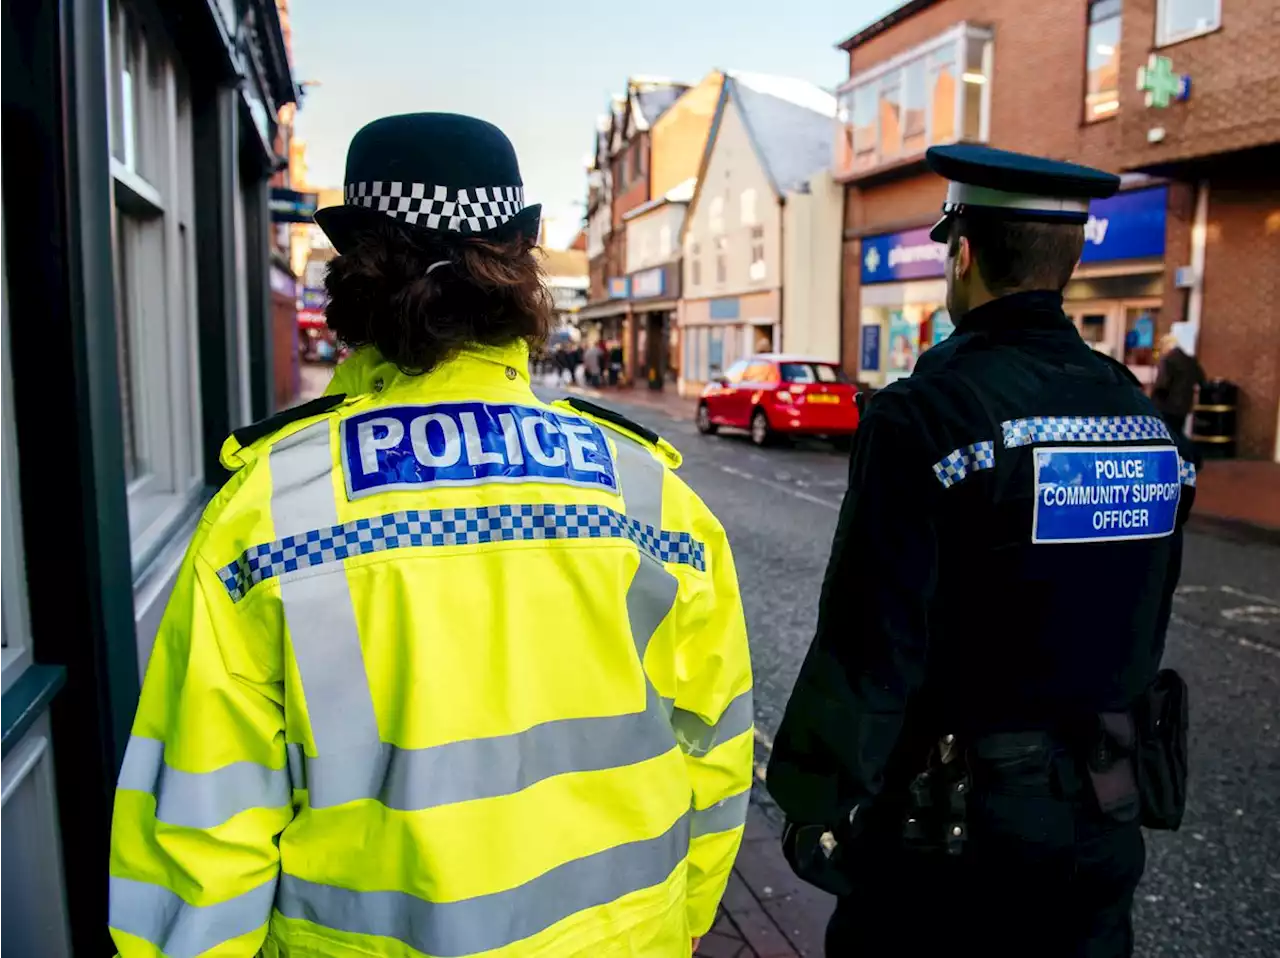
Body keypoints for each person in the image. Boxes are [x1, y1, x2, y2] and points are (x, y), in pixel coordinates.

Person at [108, 113, 753, 958]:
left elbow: (202, 837)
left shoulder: (272, 512)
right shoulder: (652, 496)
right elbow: (716, 750)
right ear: (522, 262)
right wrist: (678, 922)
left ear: (358, 274)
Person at [767, 144, 1198, 958]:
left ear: (961, 254)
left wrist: (816, 799)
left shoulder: (924, 418)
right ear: (1067, 261)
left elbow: (869, 640)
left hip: (953, 835)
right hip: (1104, 817)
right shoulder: (1144, 423)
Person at [1152, 326, 1205, 438]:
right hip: (1184, 405)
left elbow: (1162, 384)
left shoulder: (1167, 360)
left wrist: (1153, 399)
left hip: (1167, 406)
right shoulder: (1191, 361)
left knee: (1167, 435)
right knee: (1177, 432)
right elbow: (1201, 379)